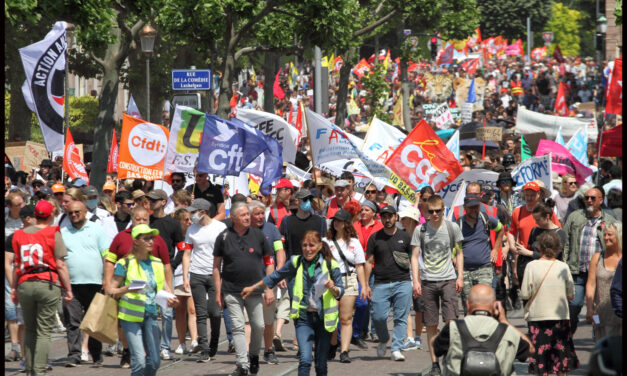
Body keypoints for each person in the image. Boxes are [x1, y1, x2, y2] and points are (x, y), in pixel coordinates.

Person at [241, 230, 344, 376]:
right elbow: (275, 276)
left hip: (324, 319)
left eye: (312, 245)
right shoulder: (296, 261)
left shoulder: (331, 264)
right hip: (303, 318)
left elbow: (341, 291)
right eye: (305, 245)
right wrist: (253, 287)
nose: (308, 249)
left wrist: (333, 288)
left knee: (321, 363)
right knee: (305, 360)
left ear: (320, 246)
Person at [10, 200, 73, 376]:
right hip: (47, 281)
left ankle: (29, 367)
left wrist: (14, 288)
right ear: (51, 215)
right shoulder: (53, 232)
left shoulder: (19, 234)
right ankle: (39, 370)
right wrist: (68, 289)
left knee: (29, 328)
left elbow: (17, 264)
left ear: (35, 215)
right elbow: (60, 264)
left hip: (25, 283)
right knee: (44, 330)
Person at [105, 206, 172, 368]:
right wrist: (126, 288)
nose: (151, 241)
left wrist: (170, 298)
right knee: (140, 362)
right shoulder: (124, 263)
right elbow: (111, 291)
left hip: (150, 316)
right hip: (130, 317)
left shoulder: (156, 263)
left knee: (155, 362)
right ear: (136, 241)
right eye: (147, 239)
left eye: (152, 238)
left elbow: (162, 287)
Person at [213, 202, 275, 376]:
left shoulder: (258, 235)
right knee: (238, 327)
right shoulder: (223, 237)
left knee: (259, 325)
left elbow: (269, 263)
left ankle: (254, 355)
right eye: (243, 215)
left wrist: (268, 287)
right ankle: (242, 364)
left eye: (248, 214)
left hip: (255, 289)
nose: (248, 217)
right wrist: (218, 292)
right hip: (231, 290)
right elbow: (216, 267)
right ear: (233, 218)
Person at [410, 195, 463, 376]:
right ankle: (435, 364)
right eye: (430, 211)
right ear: (426, 211)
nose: (434, 214)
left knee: (451, 322)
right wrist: (416, 281)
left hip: (448, 278)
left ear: (443, 210)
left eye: (437, 211)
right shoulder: (421, 230)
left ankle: (450, 356)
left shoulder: (451, 227)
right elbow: (415, 256)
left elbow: (459, 252)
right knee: (431, 324)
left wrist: (460, 276)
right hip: (428, 281)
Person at [431, 284, 534, 376]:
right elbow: (531, 350)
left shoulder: (453, 328)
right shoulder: (508, 332)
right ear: (495, 306)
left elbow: (436, 348)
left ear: (468, 305)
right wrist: (504, 321)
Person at [521, 231, 579, 375]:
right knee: (561, 356)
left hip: (537, 317)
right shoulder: (563, 267)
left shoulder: (531, 266)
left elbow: (525, 294)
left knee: (541, 358)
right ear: (557, 248)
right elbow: (571, 295)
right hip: (559, 317)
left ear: (539, 248)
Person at [60, 201, 110, 367]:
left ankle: (96, 356)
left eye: (77, 212)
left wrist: (106, 279)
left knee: (94, 322)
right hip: (71, 284)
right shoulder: (63, 232)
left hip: (95, 283)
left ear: (84, 212)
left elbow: (107, 256)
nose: (74, 215)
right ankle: (74, 355)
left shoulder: (97, 230)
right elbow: (58, 259)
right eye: (70, 213)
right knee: (72, 322)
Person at [563, 186, 616, 335]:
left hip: (599, 273)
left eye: (593, 198)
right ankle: (567, 339)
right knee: (573, 308)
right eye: (586, 198)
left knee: (597, 309)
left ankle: (597, 334)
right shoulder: (575, 217)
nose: (589, 200)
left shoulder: (609, 221)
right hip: (577, 272)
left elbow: (615, 246)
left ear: (601, 200)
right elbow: (565, 241)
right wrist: (564, 264)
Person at [364, 205, 413, 362]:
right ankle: (384, 339)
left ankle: (396, 348)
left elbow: (413, 258)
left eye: (390, 216)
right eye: (384, 216)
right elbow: (368, 262)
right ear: (381, 218)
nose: (387, 219)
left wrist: (416, 280)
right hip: (381, 283)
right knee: (377, 316)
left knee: (401, 317)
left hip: (403, 282)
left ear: (396, 217)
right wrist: (365, 284)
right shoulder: (375, 237)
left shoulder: (405, 237)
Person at [181, 199, 227, 362]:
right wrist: (186, 276)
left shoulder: (220, 228)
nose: (191, 215)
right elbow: (186, 254)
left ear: (204, 211)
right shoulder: (191, 230)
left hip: (215, 274)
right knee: (200, 313)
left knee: (215, 312)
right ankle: (205, 349)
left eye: (194, 211)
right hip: (197, 274)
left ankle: (214, 340)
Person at [323, 209, 367, 363]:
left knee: (346, 318)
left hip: (349, 279)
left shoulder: (354, 242)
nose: (336, 222)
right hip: (331, 282)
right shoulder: (325, 242)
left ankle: (344, 351)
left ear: (347, 223)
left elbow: (360, 266)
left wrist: (365, 286)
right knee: (332, 317)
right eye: (335, 220)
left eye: (340, 220)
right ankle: (333, 343)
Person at [146, 189, 185, 360]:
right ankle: (151, 345)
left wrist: (173, 265)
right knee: (149, 312)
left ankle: (165, 347)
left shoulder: (172, 224)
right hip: (145, 270)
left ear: (163, 202)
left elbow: (182, 248)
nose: (151, 203)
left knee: (167, 313)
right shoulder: (145, 222)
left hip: (165, 271)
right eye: (149, 200)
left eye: (154, 200)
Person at [249, 200, 286, 365]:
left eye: (261, 213)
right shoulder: (244, 230)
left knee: (268, 319)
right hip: (249, 282)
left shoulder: (271, 229)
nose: (260, 217)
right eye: (256, 214)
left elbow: (279, 250)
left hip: (268, 281)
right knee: (249, 321)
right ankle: (250, 353)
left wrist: (280, 272)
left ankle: (269, 350)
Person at [457, 194, 504, 314]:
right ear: (465, 208)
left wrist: (495, 249)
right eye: (471, 207)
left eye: (476, 207)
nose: (474, 210)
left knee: (485, 305)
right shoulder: (458, 224)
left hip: (484, 268)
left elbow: (501, 229)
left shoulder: (486, 219)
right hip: (466, 271)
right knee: (468, 306)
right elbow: (455, 245)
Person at [513, 200, 566, 290]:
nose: (536, 222)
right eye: (534, 219)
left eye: (538, 219)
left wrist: (529, 253)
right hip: (533, 274)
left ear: (547, 217)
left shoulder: (559, 233)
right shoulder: (535, 230)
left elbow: (554, 256)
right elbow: (531, 247)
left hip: (550, 276)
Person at [585, 222, 622, 341]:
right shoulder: (597, 257)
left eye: (610, 235)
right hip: (600, 314)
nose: (606, 238)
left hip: (620, 311)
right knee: (603, 349)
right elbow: (591, 284)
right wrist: (589, 308)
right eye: (604, 235)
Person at [171, 208, 198, 355]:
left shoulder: (195, 233)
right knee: (179, 310)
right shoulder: (177, 236)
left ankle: (194, 340)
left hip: (192, 275)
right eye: (185, 220)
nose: (189, 222)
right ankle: (182, 343)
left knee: (192, 309)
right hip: (178, 276)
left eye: (190, 219)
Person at [398, 206, 424, 351]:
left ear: (413, 220)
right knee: (406, 307)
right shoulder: (400, 235)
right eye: (402, 219)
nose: (403, 222)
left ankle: (418, 337)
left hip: (421, 275)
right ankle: (409, 338)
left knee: (419, 308)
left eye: (406, 219)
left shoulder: (423, 235)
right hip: (404, 275)